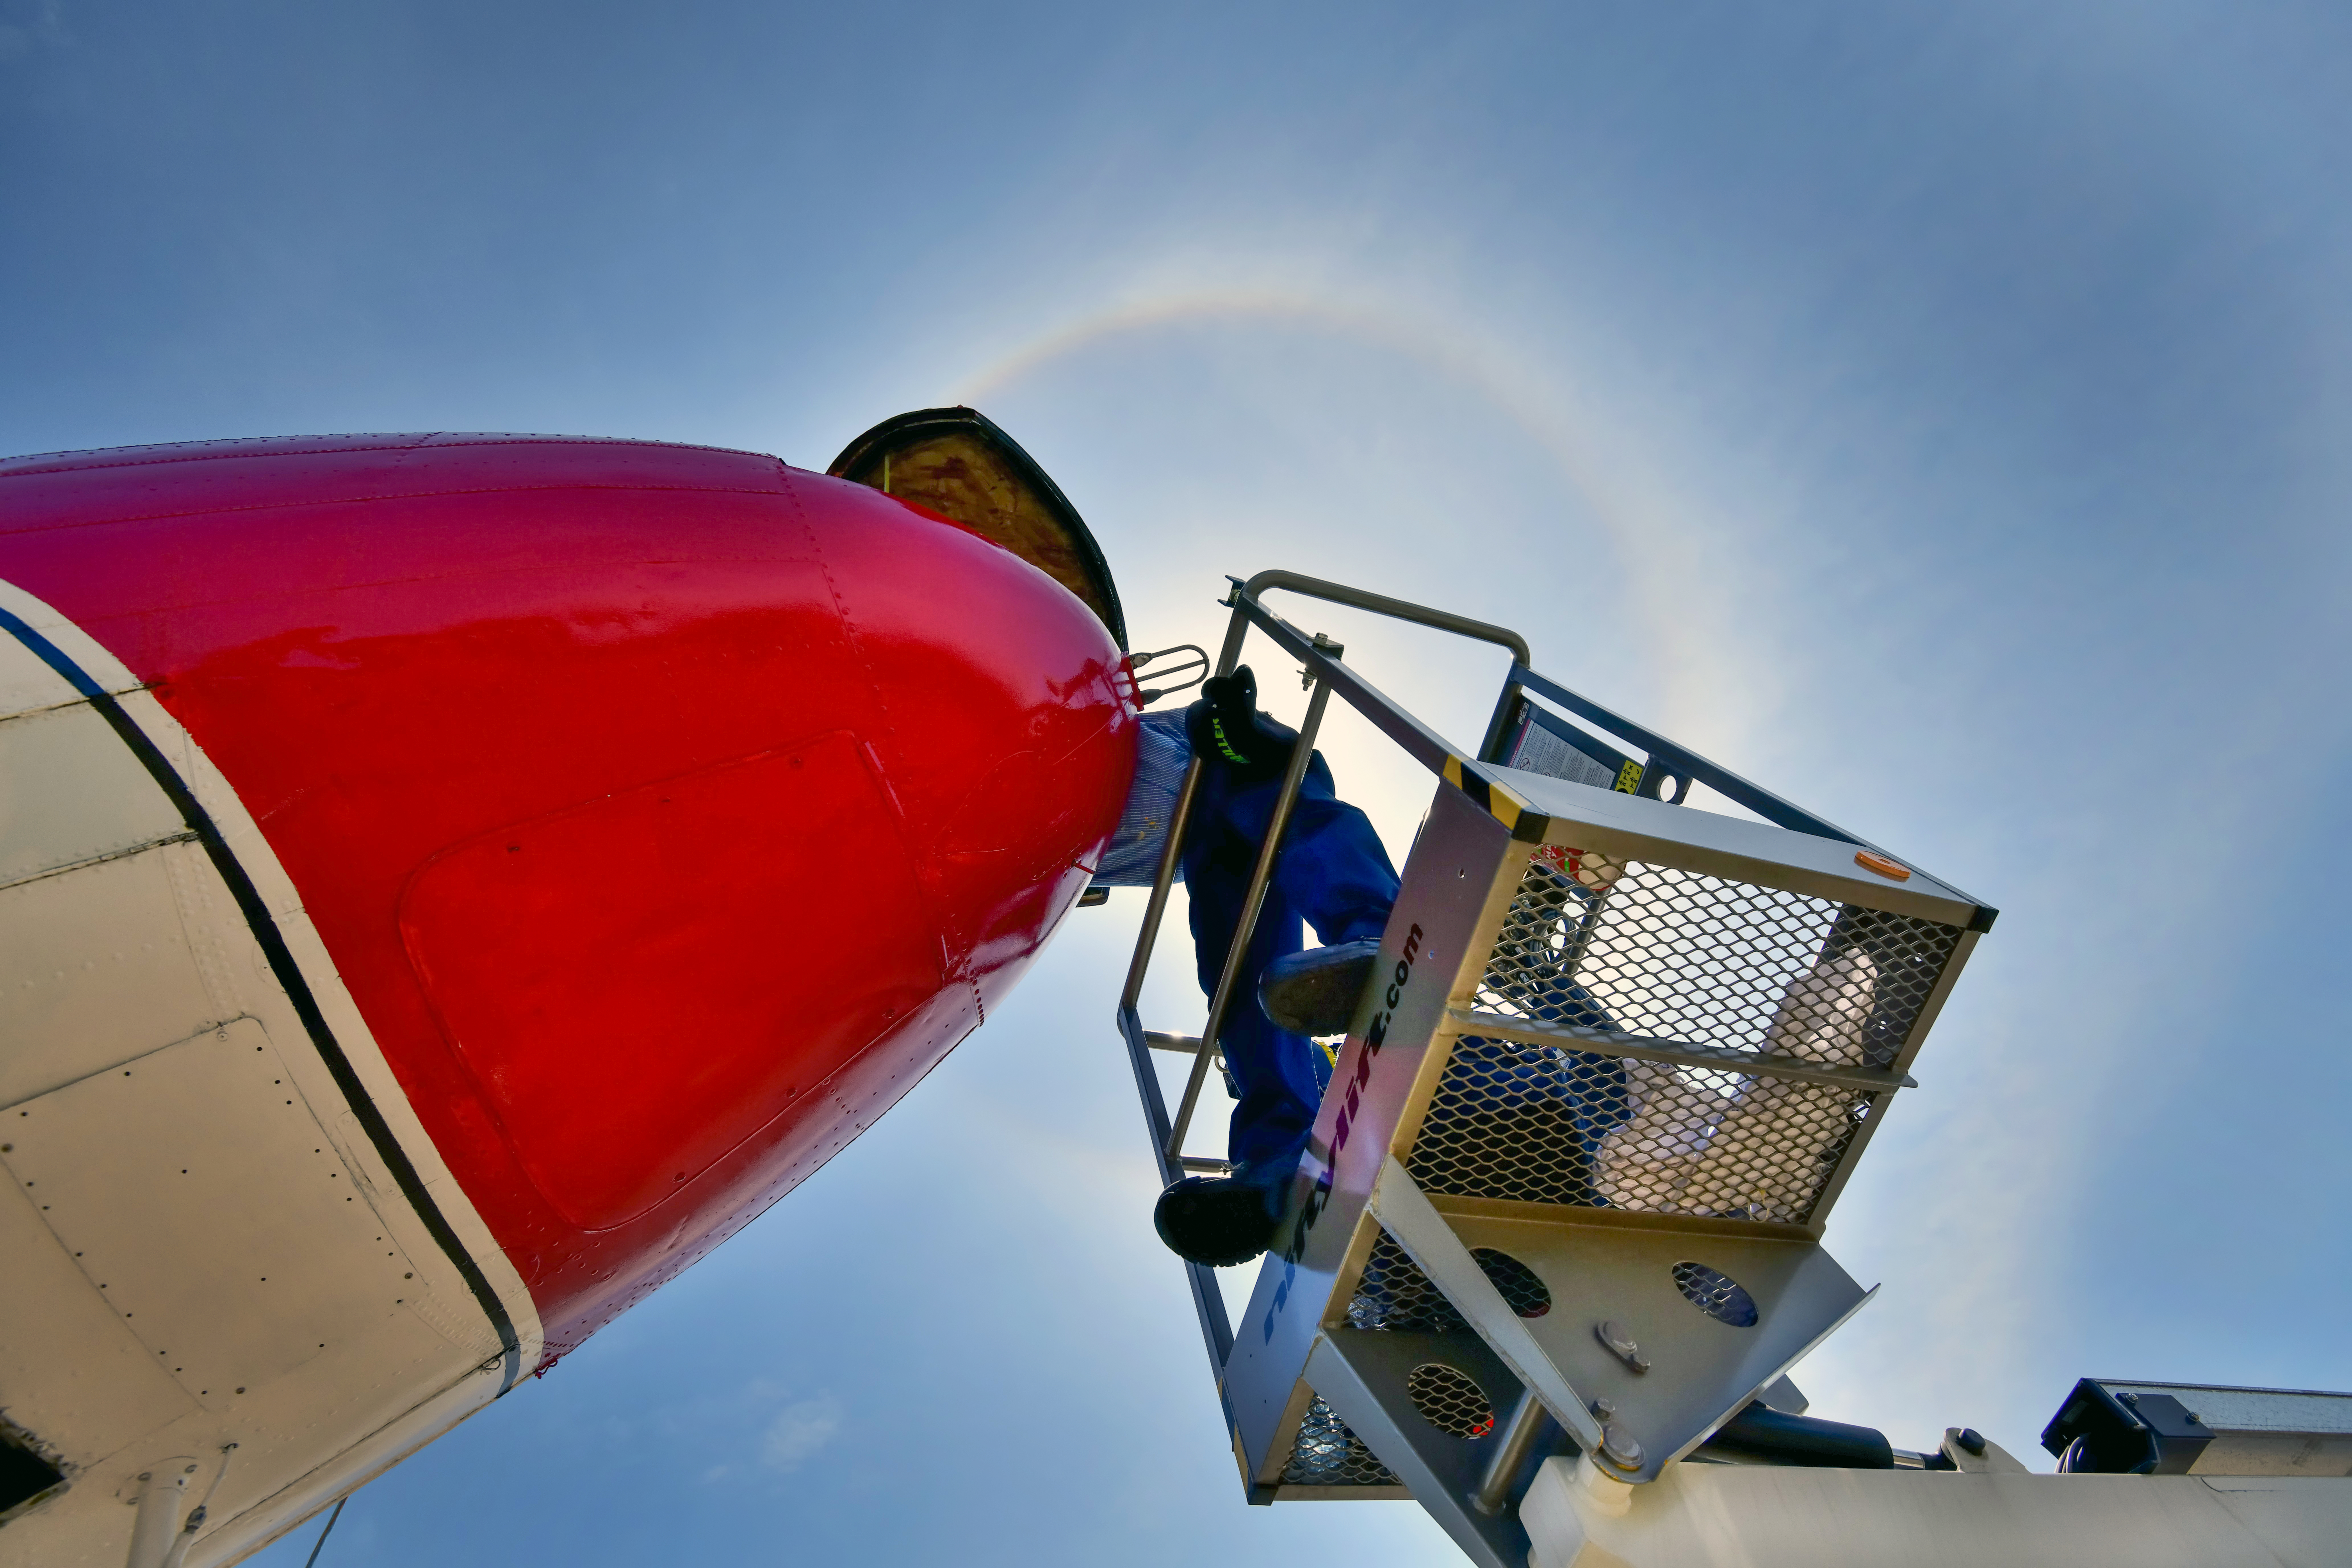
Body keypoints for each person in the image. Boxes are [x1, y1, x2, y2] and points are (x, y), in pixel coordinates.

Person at [833, 406, 1401, 1269]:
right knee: (1248, 989)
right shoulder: (999, 809)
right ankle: (1273, 1175)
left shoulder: (1071, 711)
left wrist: (1232, 725)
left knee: (1305, 819)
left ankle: (1375, 934)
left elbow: (1244, 740)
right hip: (1194, 853)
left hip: (1215, 777)